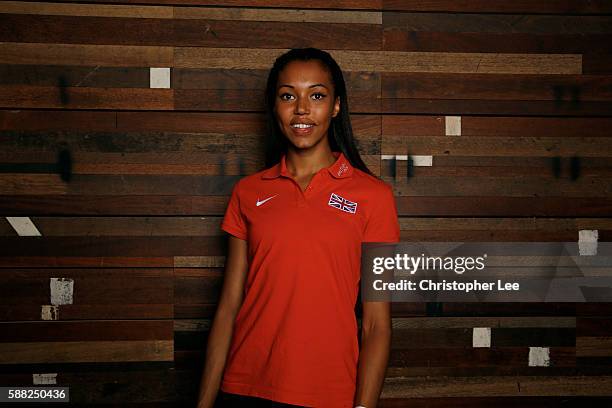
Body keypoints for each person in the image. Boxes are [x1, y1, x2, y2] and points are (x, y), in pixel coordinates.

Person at [196, 48, 399, 408]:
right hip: (244, 387)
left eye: (316, 95)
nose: (301, 109)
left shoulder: (374, 197)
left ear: (336, 106)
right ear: (274, 106)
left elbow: (376, 325)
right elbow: (228, 307)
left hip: (329, 394)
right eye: (288, 95)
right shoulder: (248, 192)